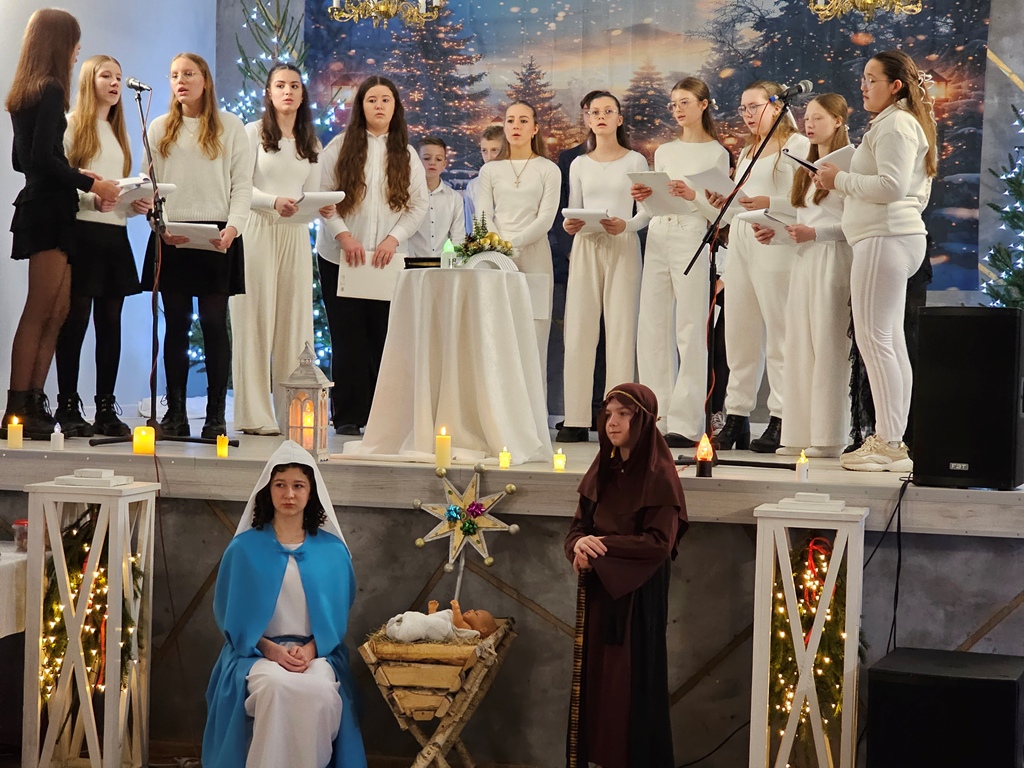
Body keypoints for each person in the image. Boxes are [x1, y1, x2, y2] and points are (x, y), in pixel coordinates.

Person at [203, 440, 367, 768]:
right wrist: (272, 650)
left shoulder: (333, 552)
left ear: (311, 491)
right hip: (256, 655)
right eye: (280, 485)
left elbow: (337, 617)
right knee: (275, 688)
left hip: (316, 654)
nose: (289, 494)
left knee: (320, 693)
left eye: (298, 485)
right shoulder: (243, 549)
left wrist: (311, 649)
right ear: (268, 490)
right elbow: (230, 617)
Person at [815, 50, 937, 472]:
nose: (863, 86)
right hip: (891, 237)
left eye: (872, 79)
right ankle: (894, 439)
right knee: (889, 341)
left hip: (884, 238)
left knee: (876, 340)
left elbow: (891, 186)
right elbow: (912, 192)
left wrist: (839, 179)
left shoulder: (896, 124)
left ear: (895, 85)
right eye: (863, 78)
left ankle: (888, 442)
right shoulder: (898, 123)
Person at [1, 10, 120, 439]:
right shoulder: (50, 88)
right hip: (48, 210)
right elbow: (37, 160)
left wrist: (73, 175)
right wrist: (90, 181)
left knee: (60, 309)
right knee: (41, 309)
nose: (77, 52)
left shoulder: (26, 92)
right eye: (74, 42)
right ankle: (18, 407)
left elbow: (21, 161)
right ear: (58, 43)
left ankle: (35, 402)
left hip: (48, 205)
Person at [564, 382, 688, 768]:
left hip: (637, 600)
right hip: (600, 594)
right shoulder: (603, 468)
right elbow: (577, 530)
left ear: (643, 421)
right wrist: (579, 547)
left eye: (623, 414)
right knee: (596, 687)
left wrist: (600, 547)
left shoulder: (660, 476)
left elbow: (658, 543)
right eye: (608, 414)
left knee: (628, 689)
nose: (612, 422)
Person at [142, 52, 252, 438]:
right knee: (176, 324)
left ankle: (215, 416)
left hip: (218, 233)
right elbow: (147, 187)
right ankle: (175, 414)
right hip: (172, 233)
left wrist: (234, 228)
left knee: (213, 323)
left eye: (188, 73)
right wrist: (158, 226)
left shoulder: (230, 126)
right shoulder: (158, 127)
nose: (180, 81)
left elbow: (242, 184)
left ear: (205, 79)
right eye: (174, 75)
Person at [316, 76, 427, 435]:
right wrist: (344, 236)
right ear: (361, 106)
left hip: (385, 260)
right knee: (347, 338)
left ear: (395, 107)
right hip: (341, 258)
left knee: (384, 337)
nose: (379, 106)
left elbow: (418, 205)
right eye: (371, 100)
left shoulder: (406, 154)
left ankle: (382, 418)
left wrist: (393, 239)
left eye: (385, 100)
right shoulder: (339, 147)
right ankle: (348, 416)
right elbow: (323, 197)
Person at [709, 81, 810, 453]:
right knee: (739, 333)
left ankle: (782, 417)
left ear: (776, 105)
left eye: (754, 106)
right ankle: (737, 415)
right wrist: (723, 200)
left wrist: (771, 202)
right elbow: (742, 205)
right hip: (742, 243)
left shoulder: (797, 145)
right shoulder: (748, 150)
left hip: (774, 242)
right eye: (743, 108)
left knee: (780, 333)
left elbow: (807, 200)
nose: (747, 115)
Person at [53, 54, 150, 438]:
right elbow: (62, 182)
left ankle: (106, 407)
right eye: (106, 76)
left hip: (114, 237)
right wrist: (90, 199)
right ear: (89, 81)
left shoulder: (118, 132)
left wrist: (133, 204)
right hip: (82, 233)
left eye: (118, 77)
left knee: (110, 323)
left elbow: (116, 192)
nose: (114, 83)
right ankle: (67, 405)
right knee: (75, 321)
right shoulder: (72, 125)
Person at [631, 77, 730, 449]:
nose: (677, 109)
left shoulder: (717, 153)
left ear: (704, 104)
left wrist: (693, 196)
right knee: (652, 326)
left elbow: (720, 213)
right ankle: (655, 416)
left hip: (692, 235)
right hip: (659, 233)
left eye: (685, 101)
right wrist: (643, 196)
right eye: (673, 103)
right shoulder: (665, 151)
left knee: (690, 328)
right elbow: (652, 206)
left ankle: (687, 422)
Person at [753, 94, 853, 458]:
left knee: (828, 347)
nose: (809, 124)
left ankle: (829, 437)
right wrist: (777, 234)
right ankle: (798, 434)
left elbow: (854, 222)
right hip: (806, 261)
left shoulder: (849, 164)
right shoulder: (806, 165)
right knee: (799, 346)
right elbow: (803, 221)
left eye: (818, 118)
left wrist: (816, 233)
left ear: (838, 120)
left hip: (834, 259)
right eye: (806, 118)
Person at [231, 63, 321, 436]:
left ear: (302, 94)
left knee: (295, 322)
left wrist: (319, 206)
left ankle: (293, 413)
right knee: (254, 320)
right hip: (258, 229)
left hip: (295, 233)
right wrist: (272, 201)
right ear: (268, 92)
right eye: (280, 85)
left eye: (294, 86)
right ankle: (254, 415)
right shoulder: (252, 133)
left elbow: (311, 193)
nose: (288, 91)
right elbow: (238, 186)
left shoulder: (310, 142)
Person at [558, 92, 648, 444]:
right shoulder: (579, 164)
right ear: (587, 119)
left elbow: (647, 211)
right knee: (579, 329)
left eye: (608, 111)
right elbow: (573, 209)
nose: (601, 117)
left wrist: (626, 225)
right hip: (587, 245)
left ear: (619, 119)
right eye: (594, 112)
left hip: (622, 244)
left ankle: (619, 418)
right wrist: (570, 225)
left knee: (621, 331)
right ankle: (576, 417)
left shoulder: (636, 160)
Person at [474, 101, 560, 383]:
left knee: (534, 337)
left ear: (535, 129)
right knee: (495, 335)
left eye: (523, 121)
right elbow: (483, 216)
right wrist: (499, 248)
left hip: (535, 256)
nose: (516, 126)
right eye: (510, 120)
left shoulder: (548, 169)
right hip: (494, 258)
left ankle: (533, 409)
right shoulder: (490, 171)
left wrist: (513, 244)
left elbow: (546, 219)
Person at [407, 137, 465, 260]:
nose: (432, 163)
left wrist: (453, 262)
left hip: (444, 264)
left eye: (438, 159)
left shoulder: (454, 198)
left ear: (444, 164)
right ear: (416, 161)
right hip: (411, 263)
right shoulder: (406, 195)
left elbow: (458, 236)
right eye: (426, 158)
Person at [386, 599, 497, 642]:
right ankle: (407, 623)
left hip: (445, 630)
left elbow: (458, 623)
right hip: (440, 625)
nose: (472, 610)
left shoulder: (471, 632)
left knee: (425, 624)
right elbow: (434, 620)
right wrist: (433, 611)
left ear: (482, 629)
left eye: (476, 614)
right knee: (427, 621)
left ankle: (405, 628)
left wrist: (456, 610)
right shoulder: (454, 620)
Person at [462, 124, 504, 232]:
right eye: (484, 151)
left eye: (494, 150)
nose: (489, 157)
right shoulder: (473, 186)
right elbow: (471, 227)